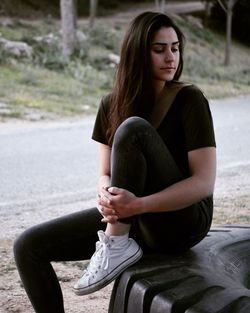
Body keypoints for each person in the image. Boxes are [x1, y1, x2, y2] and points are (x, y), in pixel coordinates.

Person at [13, 11, 216, 313]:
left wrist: (138, 206)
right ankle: (116, 241)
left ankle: (116, 244)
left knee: (133, 129)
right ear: (137, 51)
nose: (170, 56)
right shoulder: (111, 104)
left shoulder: (190, 100)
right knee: (27, 246)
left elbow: (203, 183)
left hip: (182, 221)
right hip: (130, 219)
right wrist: (107, 195)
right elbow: (105, 174)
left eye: (174, 47)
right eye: (159, 49)